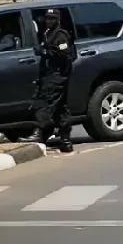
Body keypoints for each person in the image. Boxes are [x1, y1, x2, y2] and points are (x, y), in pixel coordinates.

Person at [26, 9, 77, 152]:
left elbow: (63, 53)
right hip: (50, 75)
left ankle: (40, 132)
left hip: (58, 76)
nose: (48, 21)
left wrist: (44, 52)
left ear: (57, 20)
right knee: (61, 108)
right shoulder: (47, 34)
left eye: (52, 18)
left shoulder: (61, 36)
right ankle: (65, 140)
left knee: (46, 103)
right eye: (47, 18)